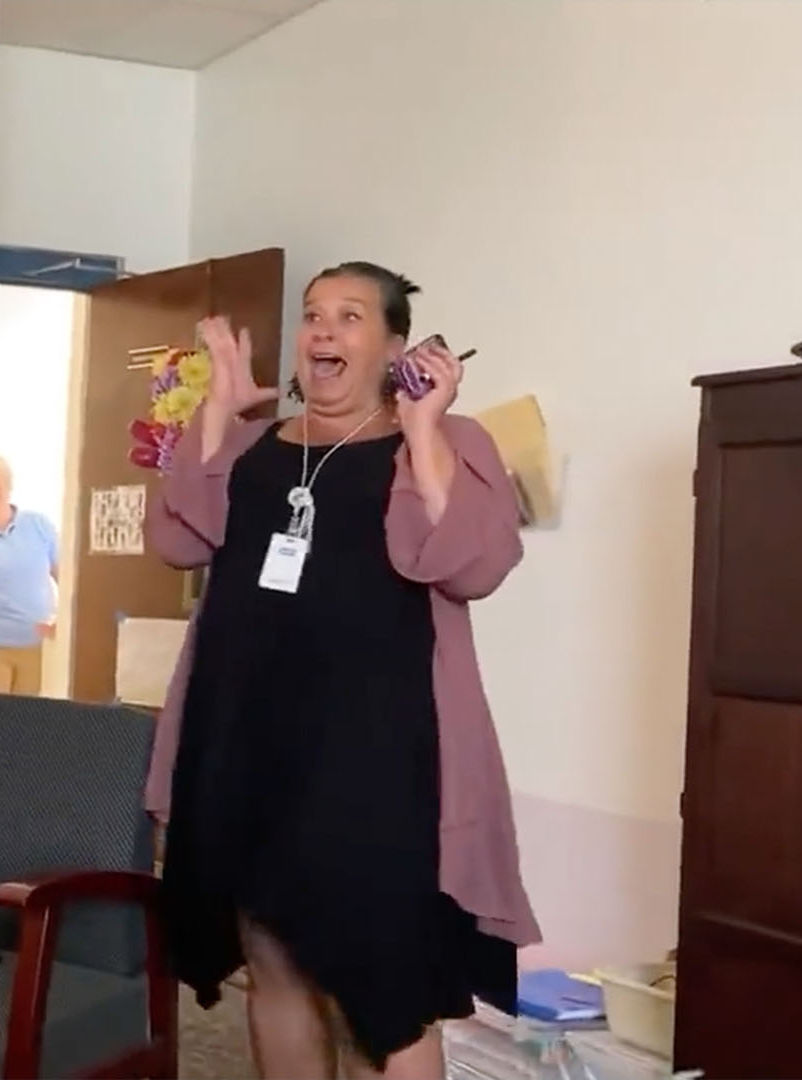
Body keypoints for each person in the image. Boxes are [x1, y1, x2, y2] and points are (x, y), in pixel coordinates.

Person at [143, 262, 540, 1079]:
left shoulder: (450, 441)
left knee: (386, 986)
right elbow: (179, 539)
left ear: (395, 346)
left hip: (378, 759)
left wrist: (422, 428)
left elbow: (475, 565)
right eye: (313, 314)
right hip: (241, 743)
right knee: (274, 967)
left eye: (350, 316)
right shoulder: (249, 445)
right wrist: (217, 409)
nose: (323, 330)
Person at [0, 454, 59, 695]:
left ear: (8, 484)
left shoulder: (39, 525)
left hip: (37, 648)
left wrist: (62, 621)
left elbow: (67, 579)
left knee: (30, 716)